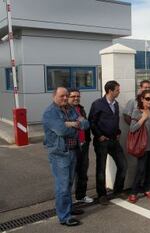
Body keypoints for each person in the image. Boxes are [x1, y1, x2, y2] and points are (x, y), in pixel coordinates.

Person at [43, 87, 89, 226]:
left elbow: (86, 124)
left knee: (68, 183)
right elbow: (61, 130)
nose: (65, 98)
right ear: (54, 96)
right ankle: (64, 217)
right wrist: (74, 124)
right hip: (59, 153)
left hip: (73, 150)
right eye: (61, 96)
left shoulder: (71, 109)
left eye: (66, 96)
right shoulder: (50, 112)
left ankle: (68, 209)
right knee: (62, 186)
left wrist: (71, 123)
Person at [89, 80, 127, 205]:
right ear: (110, 91)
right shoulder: (97, 104)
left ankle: (118, 190)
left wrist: (118, 132)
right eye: (117, 90)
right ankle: (102, 195)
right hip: (102, 142)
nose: (119, 91)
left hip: (113, 140)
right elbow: (92, 122)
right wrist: (99, 136)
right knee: (101, 168)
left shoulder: (116, 104)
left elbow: (115, 121)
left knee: (123, 165)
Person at [128, 90, 150, 203]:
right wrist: (143, 118)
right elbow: (132, 129)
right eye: (147, 98)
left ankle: (147, 189)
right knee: (140, 169)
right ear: (142, 99)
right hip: (142, 146)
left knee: (149, 168)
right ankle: (133, 192)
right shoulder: (137, 111)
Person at [67, 88, 93, 204]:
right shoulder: (64, 110)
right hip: (71, 146)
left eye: (78, 96)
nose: (76, 98)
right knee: (69, 174)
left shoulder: (80, 109)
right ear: (67, 97)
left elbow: (86, 125)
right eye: (73, 96)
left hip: (83, 145)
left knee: (83, 172)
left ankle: (81, 196)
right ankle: (67, 201)